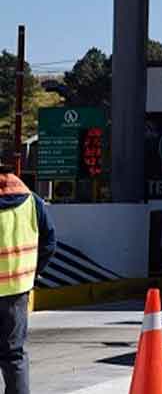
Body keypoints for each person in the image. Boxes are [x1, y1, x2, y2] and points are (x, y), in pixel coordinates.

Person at [0, 166, 55, 394]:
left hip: (16, 290)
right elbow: (49, 244)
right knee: (14, 355)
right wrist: (31, 274)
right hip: (17, 291)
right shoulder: (33, 202)